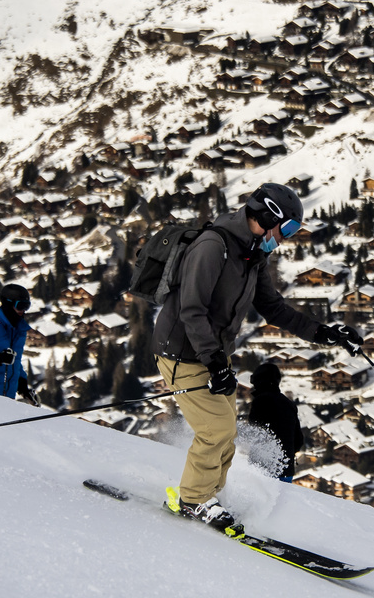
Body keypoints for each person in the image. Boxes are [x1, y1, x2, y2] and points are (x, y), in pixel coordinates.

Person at [151, 183, 362, 531]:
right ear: (266, 216)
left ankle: (207, 494)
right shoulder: (212, 247)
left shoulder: (253, 255)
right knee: (215, 429)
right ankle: (194, 499)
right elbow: (192, 311)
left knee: (226, 430)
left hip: (211, 355)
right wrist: (216, 362)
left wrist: (324, 333)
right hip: (183, 352)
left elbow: (273, 308)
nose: (286, 238)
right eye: (288, 228)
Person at [245, 362, 305, 482]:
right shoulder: (289, 404)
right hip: (286, 470)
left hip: (264, 469)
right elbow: (298, 441)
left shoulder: (260, 402)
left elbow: (253, 435)